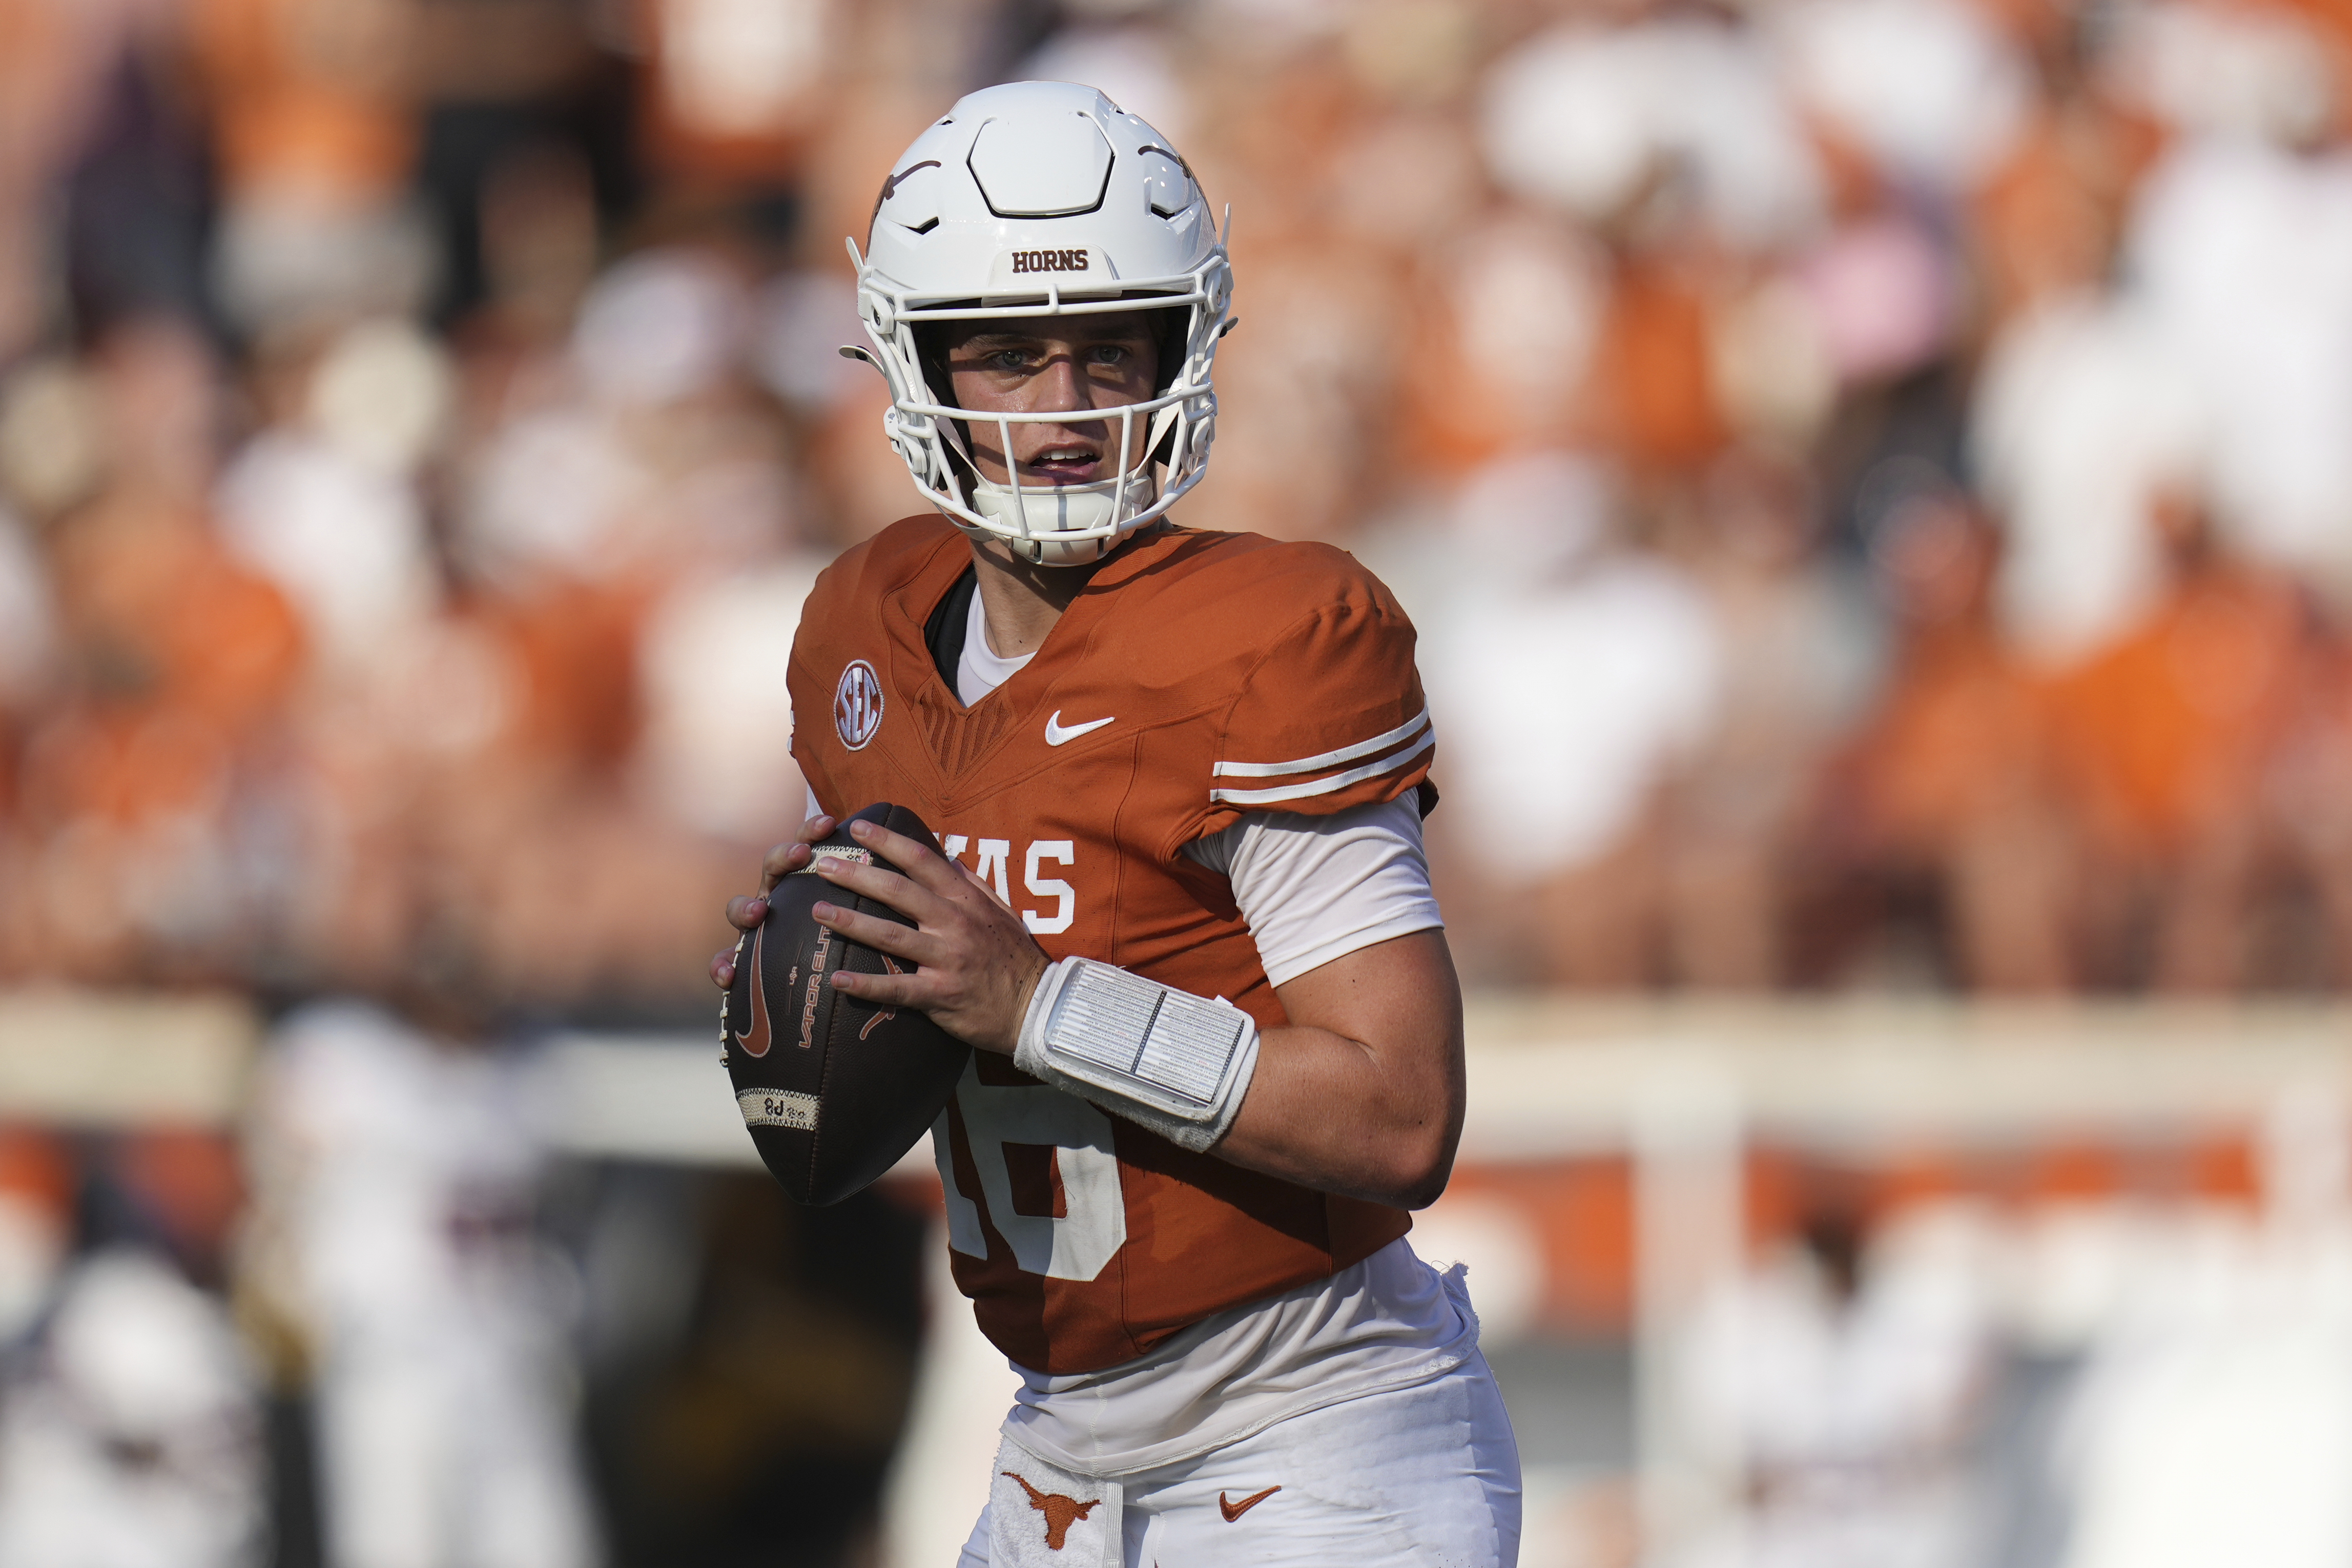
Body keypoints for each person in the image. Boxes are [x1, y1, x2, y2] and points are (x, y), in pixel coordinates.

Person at [710, 82, 1520, 1565]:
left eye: (1108, 346)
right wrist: (837, 958)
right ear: (915, 358)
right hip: (1057, 1448)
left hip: (1315, 1427)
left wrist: (1030, 997)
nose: (1068, 403)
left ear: (1183, 348)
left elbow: (1402, 1111)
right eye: (1010, 354)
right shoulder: (865, 634)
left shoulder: (1270, 638)